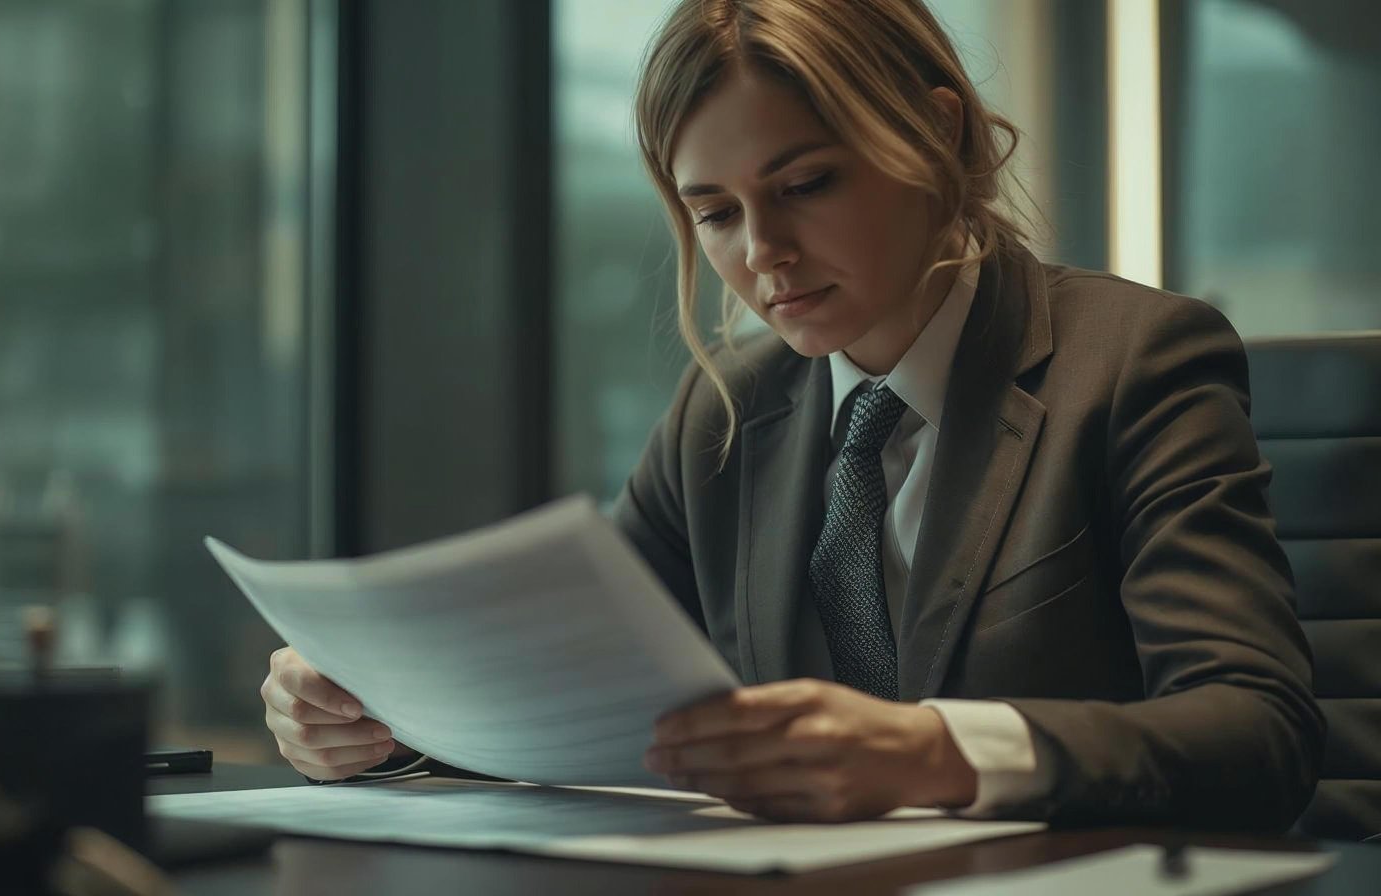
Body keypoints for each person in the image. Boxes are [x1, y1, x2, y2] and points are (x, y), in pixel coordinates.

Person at [260, 0, 1322, 830]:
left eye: (805, 183)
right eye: (713, 212)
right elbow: (576, 699)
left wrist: (934, 751)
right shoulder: (721, 417)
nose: (760, 252)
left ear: (935, 133)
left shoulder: (1134, 359)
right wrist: (386, 723)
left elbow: (1256, 732)